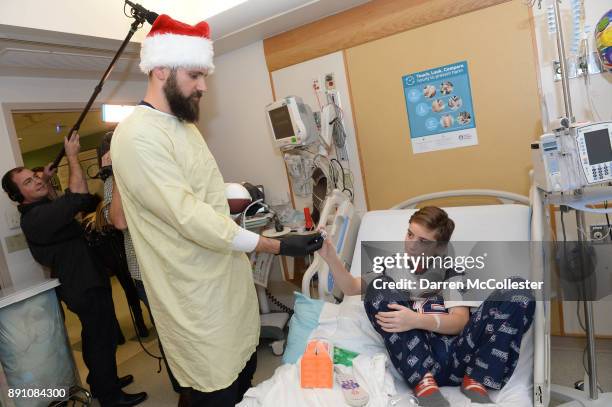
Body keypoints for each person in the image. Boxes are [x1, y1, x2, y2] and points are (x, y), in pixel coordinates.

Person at [110, 14, 322, 406]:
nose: (203, 86)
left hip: (224, 283)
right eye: (195, 75)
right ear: (160, 70)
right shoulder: (137, 136)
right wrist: (273, 245)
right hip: (193, 297)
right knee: (215, 387)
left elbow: (206, 194)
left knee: (241, 374)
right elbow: (188, 215)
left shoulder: (183, 127)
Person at [317, 206, 535, 407]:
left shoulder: (450, 270)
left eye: (423, 240)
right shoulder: (393, 267)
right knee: (379, 286)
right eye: (410, 234)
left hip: (463, 355)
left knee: (518, 289)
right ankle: (424, 383)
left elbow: (460, 321)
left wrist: (416, 318)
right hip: (419, 356)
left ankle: (476, 379)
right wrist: (331, 258)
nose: (412, 244)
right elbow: (351, 287)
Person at [1, 135, 147, 407]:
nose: (36, 181)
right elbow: (78, 198)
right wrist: (72, 157)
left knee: (97, 336)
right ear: (17, 196)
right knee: (101, 338)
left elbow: (66, 209)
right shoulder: (35, 219)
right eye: (28, 182)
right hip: (82, 285)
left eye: (35, 177)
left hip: (88, 279)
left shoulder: (43, 209)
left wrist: (48, 185)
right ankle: (110, 396)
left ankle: (103, 381)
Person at [98, 131, 181, 393]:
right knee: (170, 332)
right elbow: (119, 220)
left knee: (185, 325)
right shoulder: (114, 181)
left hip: (172, 261)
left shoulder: (152, 168)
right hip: (146, 269)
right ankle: (185, 389)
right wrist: (117, 172)